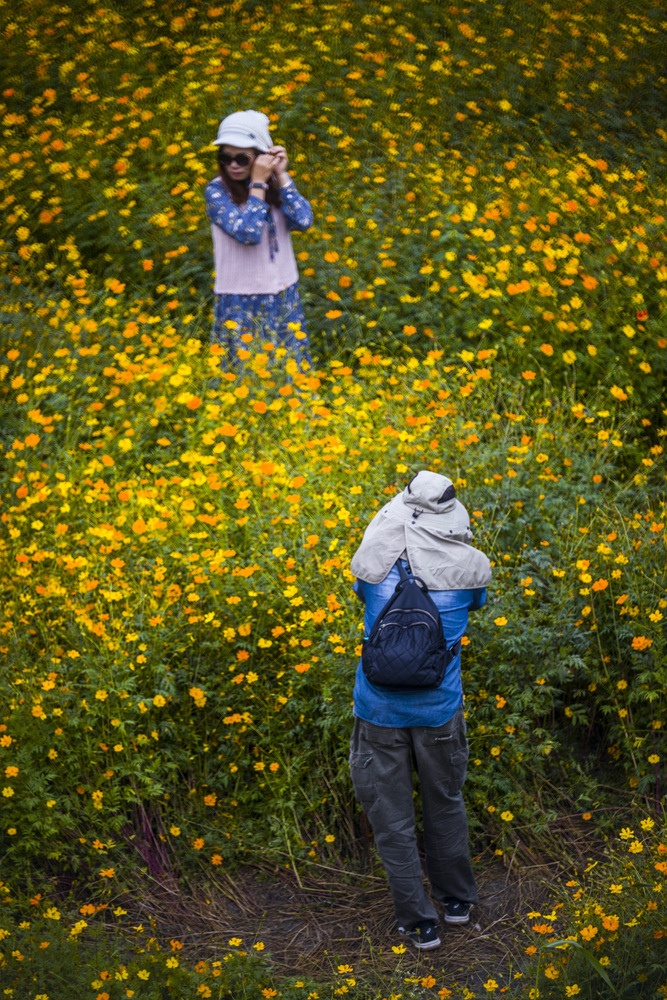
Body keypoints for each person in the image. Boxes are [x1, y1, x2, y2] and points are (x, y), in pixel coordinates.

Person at [349, 470, 492, 950]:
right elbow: (476, 605)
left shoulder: (373, 561)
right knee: (445, 803)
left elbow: (361, 597)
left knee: (391, 818)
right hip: (439, 710)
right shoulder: (470, 568)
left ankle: (418, 923)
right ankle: (455, 903)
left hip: (378, 710)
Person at [204, 110, 313, 369]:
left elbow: (304, 220)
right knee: (245, 375)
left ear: (262, 156)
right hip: (240, 296)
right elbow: (248, 232)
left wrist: (282, 176)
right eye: (226, 158)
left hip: (283, 291)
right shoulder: (216, 191)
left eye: (242, 158)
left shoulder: (274, 184)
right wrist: (258, 184)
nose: (233, 165)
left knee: (288, 369)